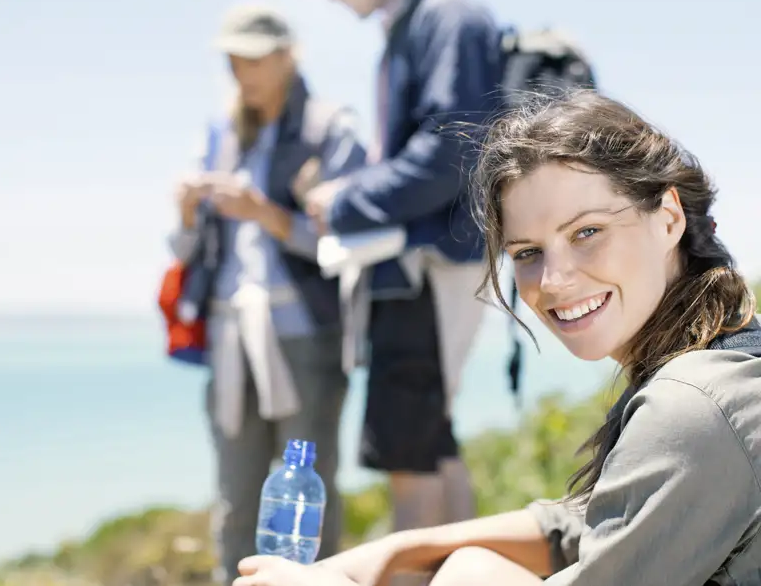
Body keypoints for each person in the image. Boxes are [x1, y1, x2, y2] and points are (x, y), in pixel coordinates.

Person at [232, 89, 761, 586]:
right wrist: (388, 553)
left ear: (668, 218)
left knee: (471, 574)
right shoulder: (723, 353)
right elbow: (592, 526)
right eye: (528, 252)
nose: (552, 281)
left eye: (587, 233)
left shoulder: (694, 406)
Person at [167, 3, 366, 585]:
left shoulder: (331, 127)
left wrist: (266, 215)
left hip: (305, 336)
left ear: (287, 54)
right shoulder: (222, 132)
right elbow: (185, 252)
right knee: (236, 497)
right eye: (232, 60)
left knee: (307, 501)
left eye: (251, 59)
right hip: (230, 337)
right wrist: (185, 212)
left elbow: (351, 240)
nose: (240, 73)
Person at [301, 0, 505, 547]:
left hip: (425, 269)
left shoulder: (444, 16)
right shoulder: (432, 18)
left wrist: (343, 202)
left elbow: (452, 150)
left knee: (407, 452)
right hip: (427, 268)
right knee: (432, 442)